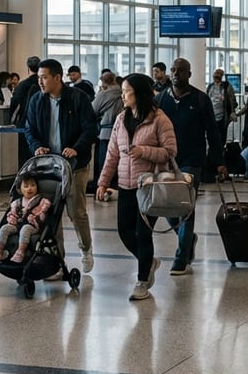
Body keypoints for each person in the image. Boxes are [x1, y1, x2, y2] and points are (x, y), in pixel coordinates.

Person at [96, 73, 177, 301]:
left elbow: (170, 152)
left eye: (126, 91)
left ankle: (142, 281)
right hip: (125, 185)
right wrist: (103, 182)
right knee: (124, 231)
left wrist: (144, 151)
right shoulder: (121, 119)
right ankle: (149, 261)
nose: (122, 95)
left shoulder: (159, 119)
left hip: (149, 186)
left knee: (143, 234)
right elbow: (112, 154)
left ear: (139, 93)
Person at [25, 59, 98, 274]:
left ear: (58, 77)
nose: (40, 81)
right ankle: (57, 260)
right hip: (49, 167)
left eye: (44, 77)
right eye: (38, 77)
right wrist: (36, 146)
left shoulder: (78, 98)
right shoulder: (37, 100)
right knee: (51, 213)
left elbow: (89, 128)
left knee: (76, 212)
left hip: (75, 165)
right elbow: (29, 129)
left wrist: (76, 147)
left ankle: (86, 249)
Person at [157, 57, 221, 275]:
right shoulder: (160, 99)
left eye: (181, 70)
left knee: (185, 207)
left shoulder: (201, 100)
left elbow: (212, 132)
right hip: (165, 160)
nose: (175, 74)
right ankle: (188, 238)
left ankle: (181, 257)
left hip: (192, 160)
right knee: (167, 207)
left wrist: (218, 161)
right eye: (173, 70)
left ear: (189, 74)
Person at [0, 173, 51, 264]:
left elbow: (43, 211)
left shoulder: (41, 201)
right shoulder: (17, 203)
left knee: (25, 229)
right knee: (4, 228)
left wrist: (37, 215)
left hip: (33, 226)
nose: (30, 188)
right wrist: (12, 219)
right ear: (20, 189)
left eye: (33, 185)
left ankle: (20, 251)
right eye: (26, 186)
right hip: (17, 224)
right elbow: (13, 214)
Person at [91, 70, 122, 196]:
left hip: (105, 132)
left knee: (105, 162)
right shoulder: (122, 92)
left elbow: (93, 110)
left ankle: (103, 187)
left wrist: (99, 92)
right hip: (120, 132)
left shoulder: (104, 94)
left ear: (103, 82)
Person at [9, 56, 42, 166]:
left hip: (24, 125)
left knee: (24, 158)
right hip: (41, 125)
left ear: (28, 68)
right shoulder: (43, 83)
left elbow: (14, 104)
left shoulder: (23, 85)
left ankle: (25, 181)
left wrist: (11, 122)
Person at [204, 67, 237, 146]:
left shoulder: (227, 86)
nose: (217, 76)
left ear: (222, 76)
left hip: (223, 116)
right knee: (211, 136)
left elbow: (232, 100)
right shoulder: (210, 86)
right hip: (211, 116)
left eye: (219, 74)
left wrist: (232, 112)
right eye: (216, 73)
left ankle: (220, 152)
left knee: (221, 136)